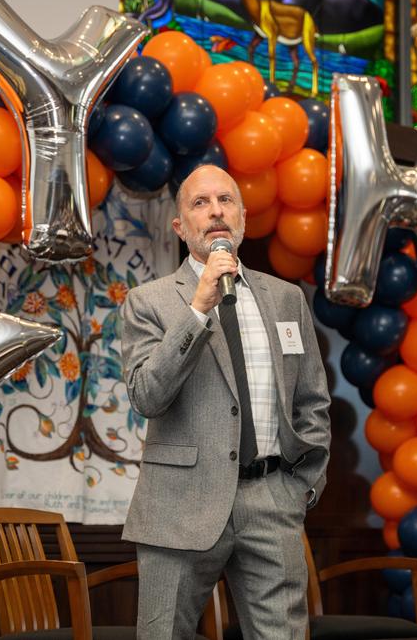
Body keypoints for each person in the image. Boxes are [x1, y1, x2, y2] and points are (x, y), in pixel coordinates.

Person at [120, 164, 331, 639]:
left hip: (272, 500)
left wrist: (301, 488)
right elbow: (147, 395)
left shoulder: (286, 299)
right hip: (179, 504)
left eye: (225, 200)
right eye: (200, 203)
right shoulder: (148, 301)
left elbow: (312, 401)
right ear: (180, 227)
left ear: (243, 217)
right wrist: (198, 309)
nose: (215, 211)